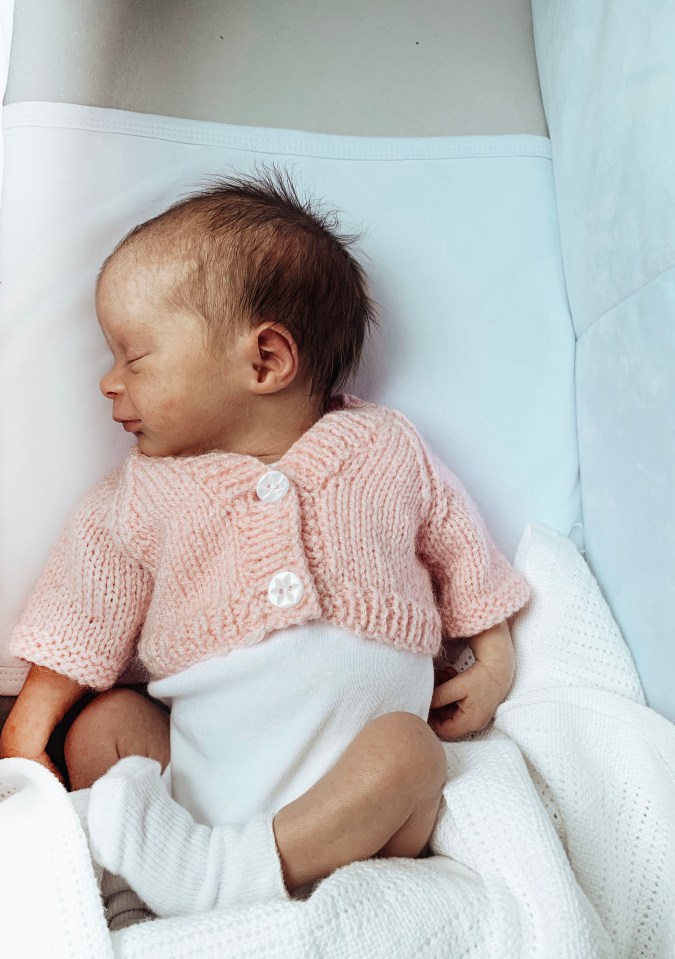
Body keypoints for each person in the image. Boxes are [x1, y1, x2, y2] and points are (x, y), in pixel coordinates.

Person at [0, 164, 530, 929]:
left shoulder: (381, 445)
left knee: (409, 753)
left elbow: (460, 546)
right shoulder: (146, 488)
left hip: (360, 814)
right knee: (107, 726)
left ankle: (216, 884)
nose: (109, 383)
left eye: (133, 356)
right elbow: (86, 598)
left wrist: (495, 653)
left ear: (264, 360)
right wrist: (31, 719)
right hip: (199, 800)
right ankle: (139, 889)